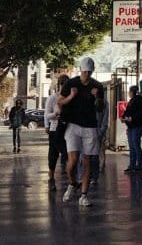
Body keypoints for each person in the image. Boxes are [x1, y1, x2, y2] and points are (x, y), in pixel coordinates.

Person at [57, 56, 102, 208]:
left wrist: (97, 98)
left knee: (87, 160)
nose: (86, 75)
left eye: (89, 72)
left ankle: (84, 195)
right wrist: (71, 96)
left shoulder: (97, 86)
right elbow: (60, 101)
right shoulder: (71, 83)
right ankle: (72, 183)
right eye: (84, 72)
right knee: (73, 159)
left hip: (90, 126)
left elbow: (100, 108)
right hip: (73, 125)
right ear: (80, 70)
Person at [44, 73, 69, 190]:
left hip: (68, 130)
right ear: (59, 85)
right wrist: (55, 114)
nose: (64, 87)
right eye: (63, 84)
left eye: (66, 85)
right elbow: (47, 115)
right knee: (53, 155)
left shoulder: (71, 98)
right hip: (55, 129)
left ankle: (72, 180)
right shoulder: (52, 98)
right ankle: (51, 178)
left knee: (69, 154)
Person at [122, 85, 142, 173]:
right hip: (132, 126)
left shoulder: (138, 101)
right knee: (133, 146)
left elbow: (141, 113)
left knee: (135, 145)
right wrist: (124, 117)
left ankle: (138, 165)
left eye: (129, 91)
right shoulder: (132, 101)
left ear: (132, 92)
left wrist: (131, 118)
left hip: (136, 126)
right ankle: (132, 165)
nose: (129, 93)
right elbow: (127, 112)